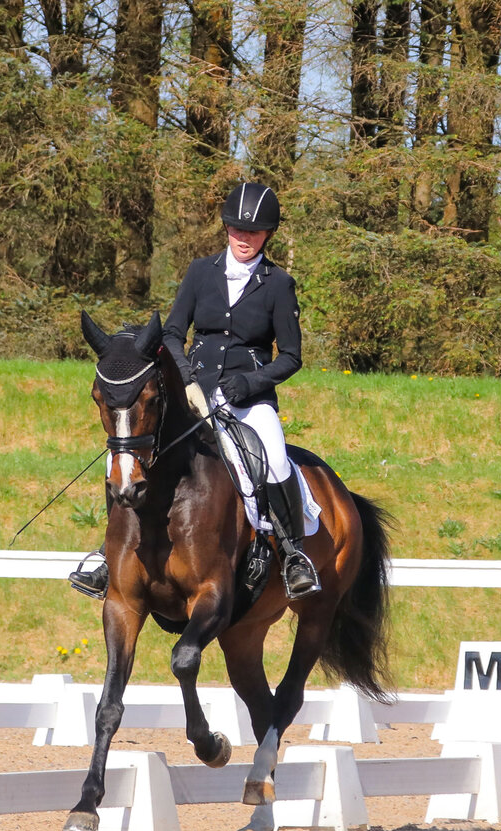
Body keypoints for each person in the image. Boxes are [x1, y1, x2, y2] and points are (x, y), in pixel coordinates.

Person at [69, 181, 321, 600]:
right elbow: (171, 333)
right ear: (226, 229)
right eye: (237, 229)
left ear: (268, 235)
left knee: (275, 461)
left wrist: (250, 382)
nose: (244, 238)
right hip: (193, 393)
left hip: (248, 399)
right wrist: (186, 376)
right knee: (125, 455)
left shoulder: (279, 284)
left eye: (253, 232)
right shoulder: (201, 271)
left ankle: (294, 554)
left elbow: (291, 357)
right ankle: (107, 554)